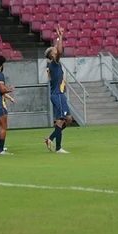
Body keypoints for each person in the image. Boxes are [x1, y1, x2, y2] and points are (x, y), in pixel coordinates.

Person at [44, 25, 72, 154]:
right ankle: (58, 147)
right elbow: (60, 51)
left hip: (58, 94)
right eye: (54, 50)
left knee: (68, 119)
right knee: (61, 121)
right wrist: (60, 36)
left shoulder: (53, 64)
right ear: (52, 55)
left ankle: (50, 138)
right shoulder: (54, 63)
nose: (57, 50)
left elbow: (58, 50)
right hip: (58, 95)